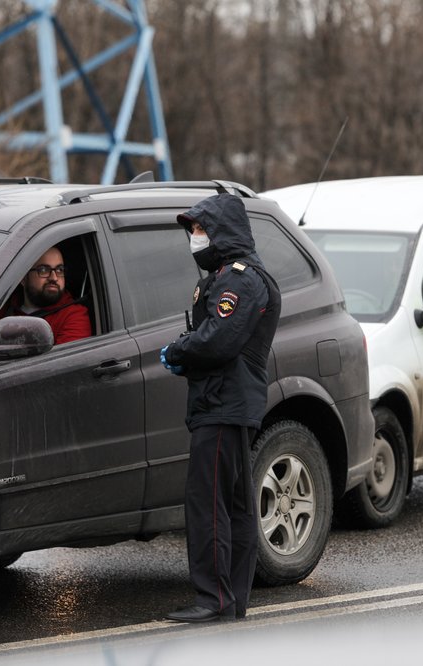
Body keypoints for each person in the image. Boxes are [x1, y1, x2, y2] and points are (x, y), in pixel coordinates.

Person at [160, 193, 281, 623]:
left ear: (221, 231)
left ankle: (215, 599)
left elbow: (218, 339)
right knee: (232, 504)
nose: (194, 238)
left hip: (223, 405)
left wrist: (178, 350)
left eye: (199, 229)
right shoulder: (226, 276)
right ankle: (231, 599)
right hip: (224, 401)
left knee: (209, 503)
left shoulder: (239, 279)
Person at [0, 245, 91, 344]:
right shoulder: (2, 308)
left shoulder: (73, 315)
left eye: (60, 270)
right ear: (23, 277)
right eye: (43, 270)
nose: (54, 278)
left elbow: (65, 359)